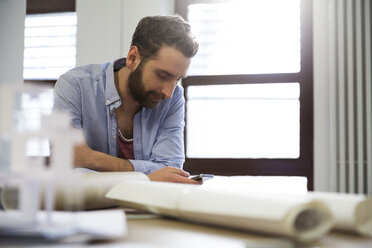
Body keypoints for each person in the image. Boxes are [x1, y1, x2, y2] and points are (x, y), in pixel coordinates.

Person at [53, 15, 199, 184]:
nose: (168, 92)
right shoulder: (74, 86)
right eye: (162, 75)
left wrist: (94, 159)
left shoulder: (173, 99)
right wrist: (147, 177)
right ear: (133, 58)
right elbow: (67, 169)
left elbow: (171, 169)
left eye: (177, 79)